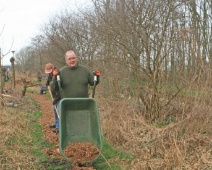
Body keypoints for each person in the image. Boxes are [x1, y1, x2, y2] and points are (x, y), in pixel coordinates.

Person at [45, 63, 61, 134]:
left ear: (53, 68)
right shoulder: (50, 75)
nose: (49, 73)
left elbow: (60, 89)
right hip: (54, 95)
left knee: (58, 111)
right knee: (54, 109)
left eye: (50, 71)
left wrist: (56, 99)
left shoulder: (58, 74)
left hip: (59, 96)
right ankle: (56, 123)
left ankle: (59, 127)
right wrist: (47, 83)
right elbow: (48, 81)